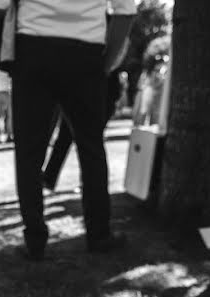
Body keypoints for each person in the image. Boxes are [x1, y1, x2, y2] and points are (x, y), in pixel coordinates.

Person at [12, 0, 128, 261]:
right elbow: (126, 10)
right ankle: (99, 235)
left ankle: (34, 239)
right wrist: (106, 62)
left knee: (29, 151)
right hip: (85, 51)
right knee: (91, 147)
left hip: (33, 47)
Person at [42, 1, 137, 192]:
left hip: (102, 85)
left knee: (86, 140)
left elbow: (119, 54)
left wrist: (104, 67)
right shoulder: (88, 26)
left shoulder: (111, 24)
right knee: (72, 137)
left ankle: (73, 181)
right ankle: (51, 178)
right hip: (88, 83)